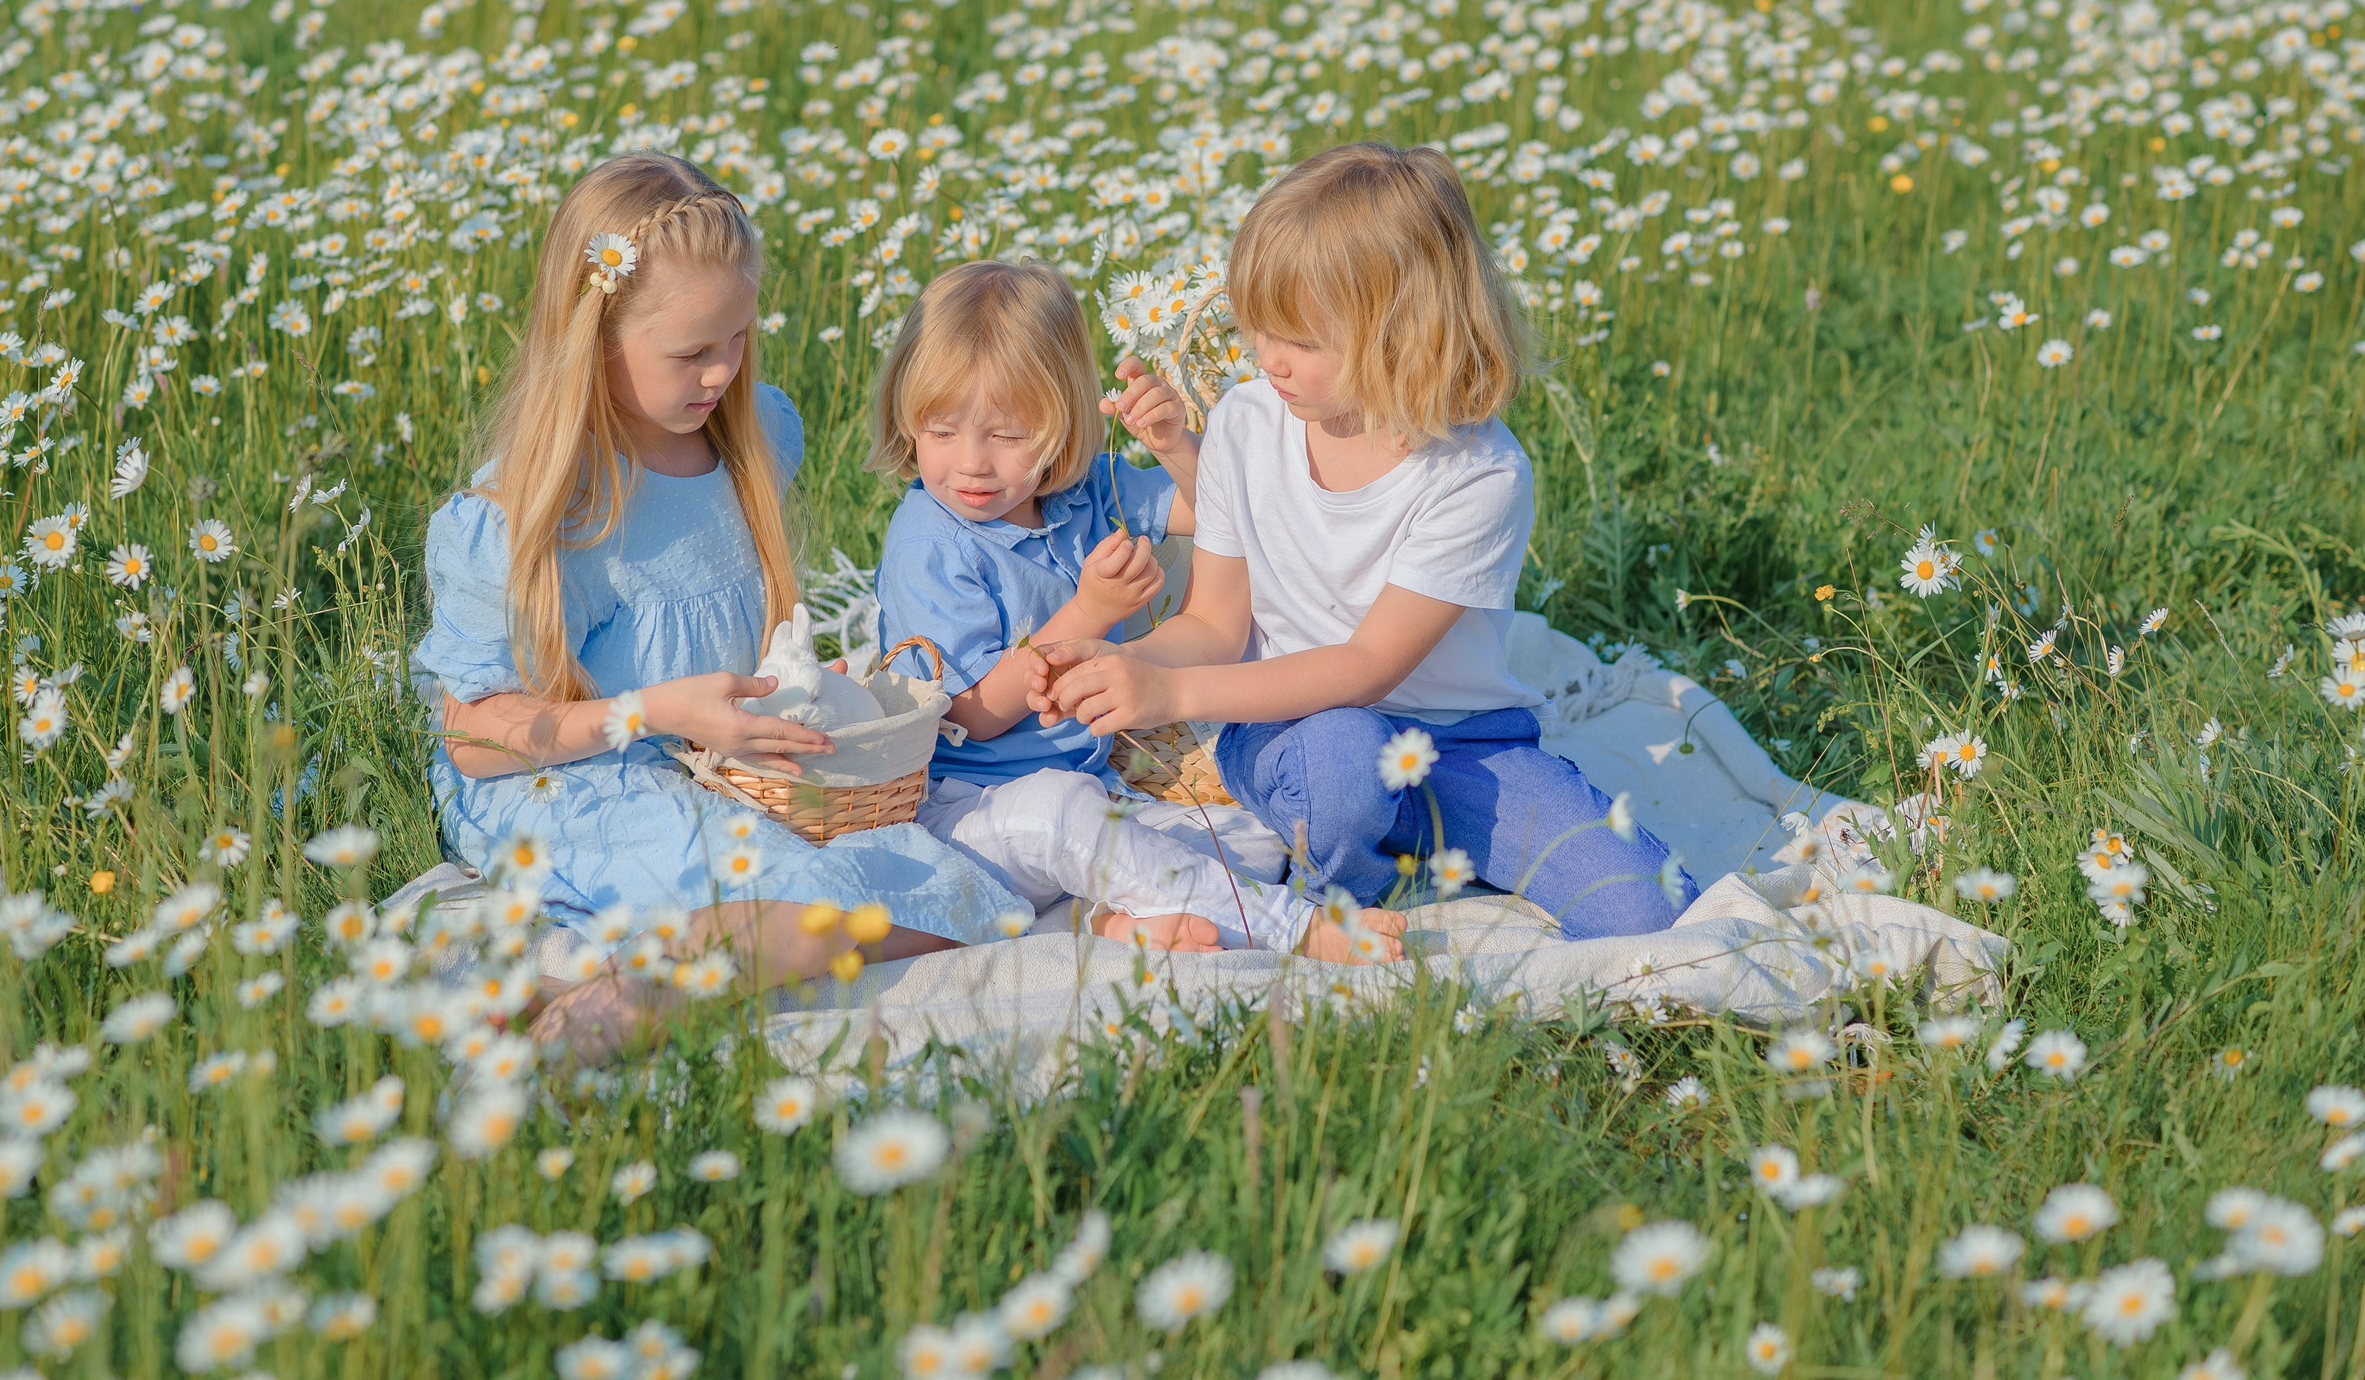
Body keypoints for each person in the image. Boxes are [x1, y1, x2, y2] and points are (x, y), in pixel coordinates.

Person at [411, 154, 1025, 1059]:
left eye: (738, 337)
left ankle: (613, 973)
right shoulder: (536, 512)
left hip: (718, 760)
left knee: (959, 896)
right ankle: (607, 1011)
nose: (721, 372)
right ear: (593, 339)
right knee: (802, 908)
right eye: (691, 351)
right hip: (570, 776)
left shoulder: (751, 437)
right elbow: (475, 736)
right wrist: (655, 712)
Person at [1026, 141, 1693, 939]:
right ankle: (1333, 903)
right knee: (1345, 763)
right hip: (1295, 736)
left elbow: (1368, 666)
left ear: (1406, 334)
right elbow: (1214, 624)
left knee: (1650, 909)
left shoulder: (1479, 473)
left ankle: (1398, 843)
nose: (1269, 359)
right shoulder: (1246, 424)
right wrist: (1128, 662)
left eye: (1303, 341)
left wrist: (1171, 695)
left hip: (1461, 745)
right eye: (1259, 328)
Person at [872, 259, 1401, 961]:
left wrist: (1174, 446)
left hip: (1096, 786)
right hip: (966, 811)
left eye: (1005, 435)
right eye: (941, 431)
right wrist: (1090, 611)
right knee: (1065, 819)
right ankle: (1295, 928)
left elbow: (1212, 510)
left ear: (1060, 421)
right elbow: (970, 713)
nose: (970, 463)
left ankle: (1099, 922)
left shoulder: (1084, 494)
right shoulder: (929, 541)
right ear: (908, 420)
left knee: (1247, 838)